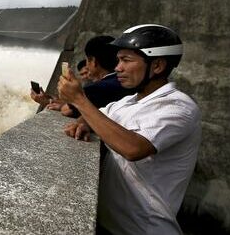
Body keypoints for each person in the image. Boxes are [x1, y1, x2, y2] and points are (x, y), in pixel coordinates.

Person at [58, 24, 201, 235]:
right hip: (110, 223)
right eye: (118, 60)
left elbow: (133, 148)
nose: (117, 68)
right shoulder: (128, 101)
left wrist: (79, 100)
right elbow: (95, 117)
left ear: (158, 65)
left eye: (126, 60)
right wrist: (82, 122)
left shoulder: (179, 107)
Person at [60, 36, 134, 118]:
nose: (87, 66)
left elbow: (67, 110)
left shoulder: (96, 89)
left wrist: (69, 95)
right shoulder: (131, 83)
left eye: (88, 60)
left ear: (93, 61)